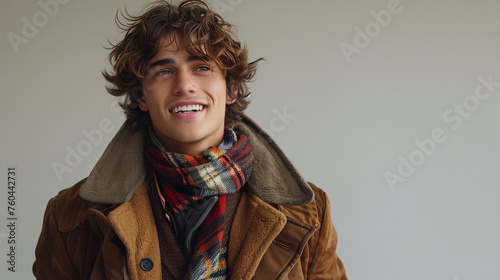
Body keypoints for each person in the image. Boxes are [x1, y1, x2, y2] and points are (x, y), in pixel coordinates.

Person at [33, 1, 347, 279]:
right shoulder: (70, 218)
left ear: (231, 89)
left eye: (201, 67)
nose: (184, 84)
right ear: (142, 96)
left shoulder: (311, 213)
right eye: (163, 71)